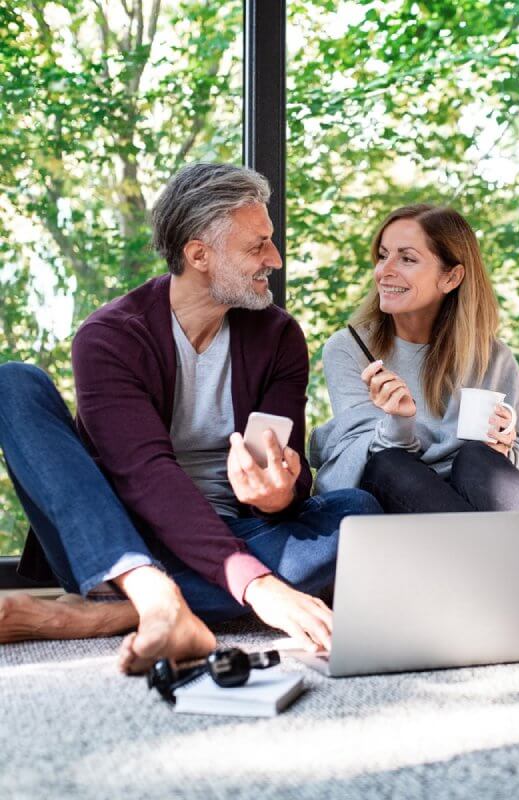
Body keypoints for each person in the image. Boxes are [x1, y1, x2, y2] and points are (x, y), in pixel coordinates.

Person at [0, 162, 380, 673]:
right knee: (13, 382)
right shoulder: (111, 337)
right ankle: (148, 592)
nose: (275, 258)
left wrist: (278, 494)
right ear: (199, 254)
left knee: (357, 513)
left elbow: (287, 469)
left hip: (236, 532)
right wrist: (258, 584)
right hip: (116, 540)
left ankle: (114, 617)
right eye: (257, 246)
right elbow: (147, 478)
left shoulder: (278, 337)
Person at [310, 203, 519, 657]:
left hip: (477, 498)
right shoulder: (350, 348)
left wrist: (508, 450)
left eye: (406, 258)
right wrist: (400, 420)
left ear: (451, 277)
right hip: (395, 505)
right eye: (382, 255)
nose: (384, 270)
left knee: (478, 457)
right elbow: (355, 457)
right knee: (390, 461)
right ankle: (494, 588)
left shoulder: (491, 356)